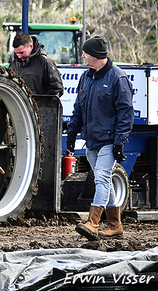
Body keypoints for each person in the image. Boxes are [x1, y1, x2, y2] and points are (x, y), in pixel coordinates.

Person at [66, 35, 134, 240]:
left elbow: (126, 113)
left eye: (86, 53)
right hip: (91, 141)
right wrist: (72, 132)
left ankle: (93, 223)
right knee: (103, 181)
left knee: (102, 178)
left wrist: (119, 142)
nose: (83, 56)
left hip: (108, 141)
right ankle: (115, 224)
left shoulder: (117, 78)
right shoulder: (86, 77)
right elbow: (78, 108)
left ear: (96, 55)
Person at [9, 32, 64, 97]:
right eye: (17, 53)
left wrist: (43, 103)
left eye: (21, 52)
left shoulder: (44, 62)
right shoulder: (13, 65)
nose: (19, 56)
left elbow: (57, 88)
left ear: (31, 46)